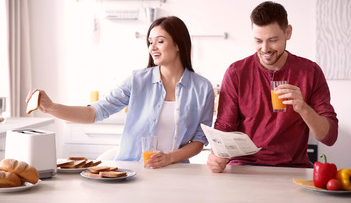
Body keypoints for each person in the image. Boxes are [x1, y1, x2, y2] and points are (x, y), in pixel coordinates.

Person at [27, 16, 214, 169]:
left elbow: (199, 141)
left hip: (176, 172)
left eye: (160, 41)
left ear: (178, 44)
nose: (153, 48)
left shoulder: (203, 88)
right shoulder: (137, 80)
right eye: (150, 42)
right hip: (134, 170)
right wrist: (51, 107)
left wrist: (170, 158)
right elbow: (95, 112)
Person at [207, 1, 338, 173]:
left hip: (292, 169)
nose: (265, 49)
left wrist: (303, 108)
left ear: (288, 32)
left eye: (273, 40)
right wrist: (216, 155)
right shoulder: (236, 72)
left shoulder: (310, 71)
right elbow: (224, 128)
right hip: (244, 168)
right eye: (258, 40)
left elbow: (329, 137)